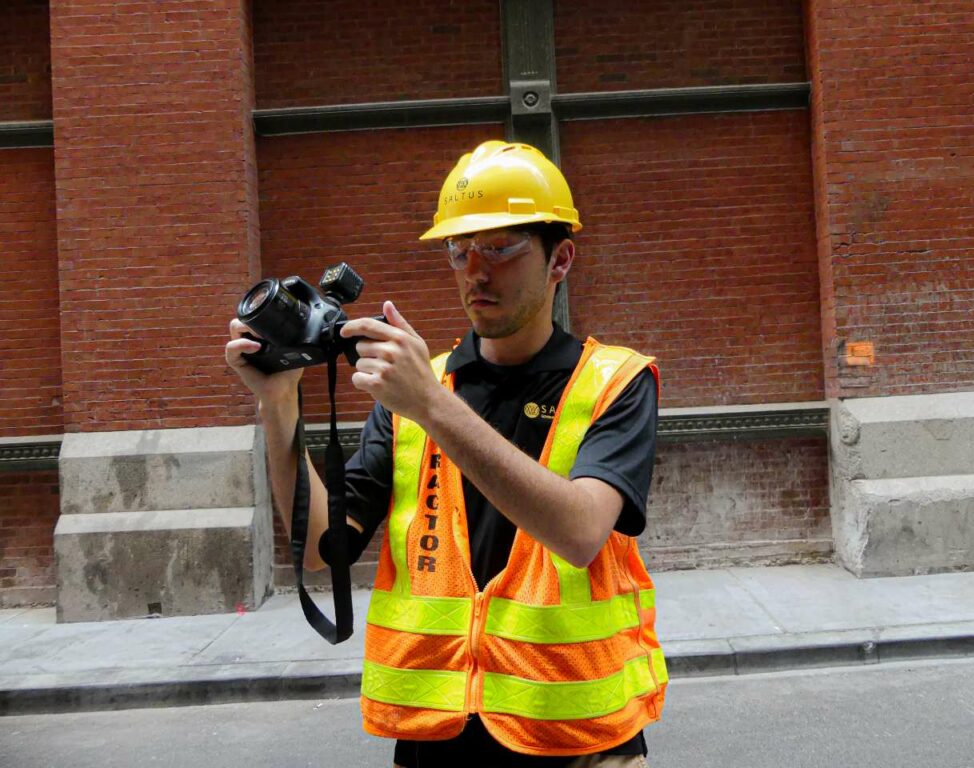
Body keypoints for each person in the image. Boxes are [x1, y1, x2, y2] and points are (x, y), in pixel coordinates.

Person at [226, 141, 666, 767]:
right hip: (438, 743)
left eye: (502, 247)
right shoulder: (420, 393)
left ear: (560, 259)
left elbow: (579, 531)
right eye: (460, 251)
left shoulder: (615, 382)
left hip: (579, 739)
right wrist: (278, 406)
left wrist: (431, 405)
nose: (476, 271)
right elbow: (327, 546)